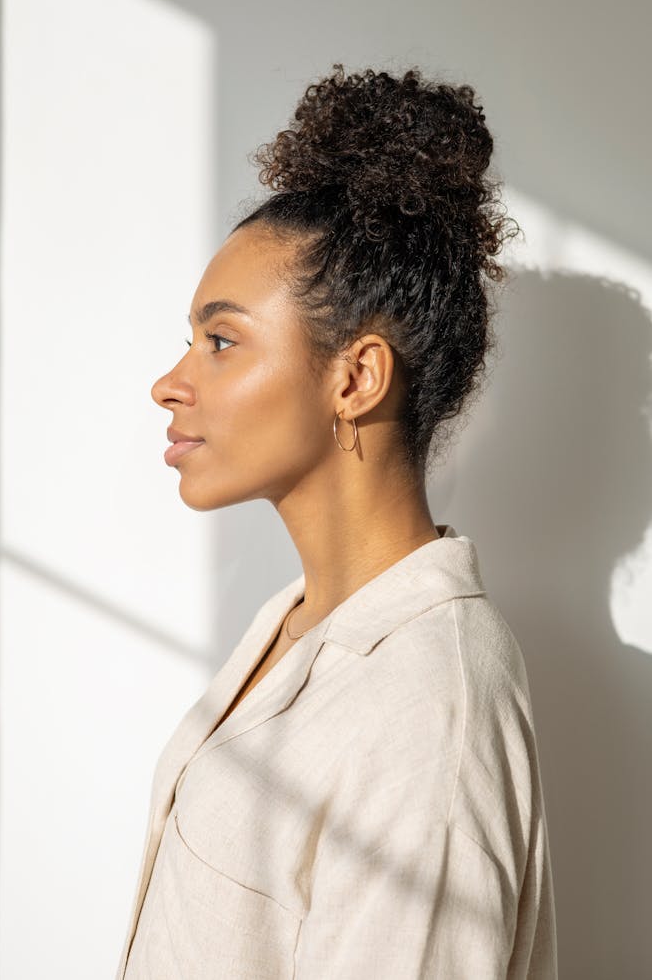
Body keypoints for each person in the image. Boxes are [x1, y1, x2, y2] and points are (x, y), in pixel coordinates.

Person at [115, 63, 558, 978]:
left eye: (221, 340)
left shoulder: (432, 707)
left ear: (355, 377)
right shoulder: (300, 623)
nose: (171, 381)